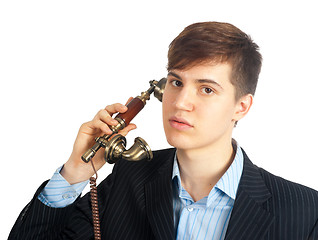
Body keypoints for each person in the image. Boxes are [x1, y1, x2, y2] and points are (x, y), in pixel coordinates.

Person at [9, 22, 318, 240]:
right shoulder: (126, 182)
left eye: (207, 89)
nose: (181, 102)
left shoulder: (305, 211)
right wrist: (75, 171)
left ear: (242, 106)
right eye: (176, 82)